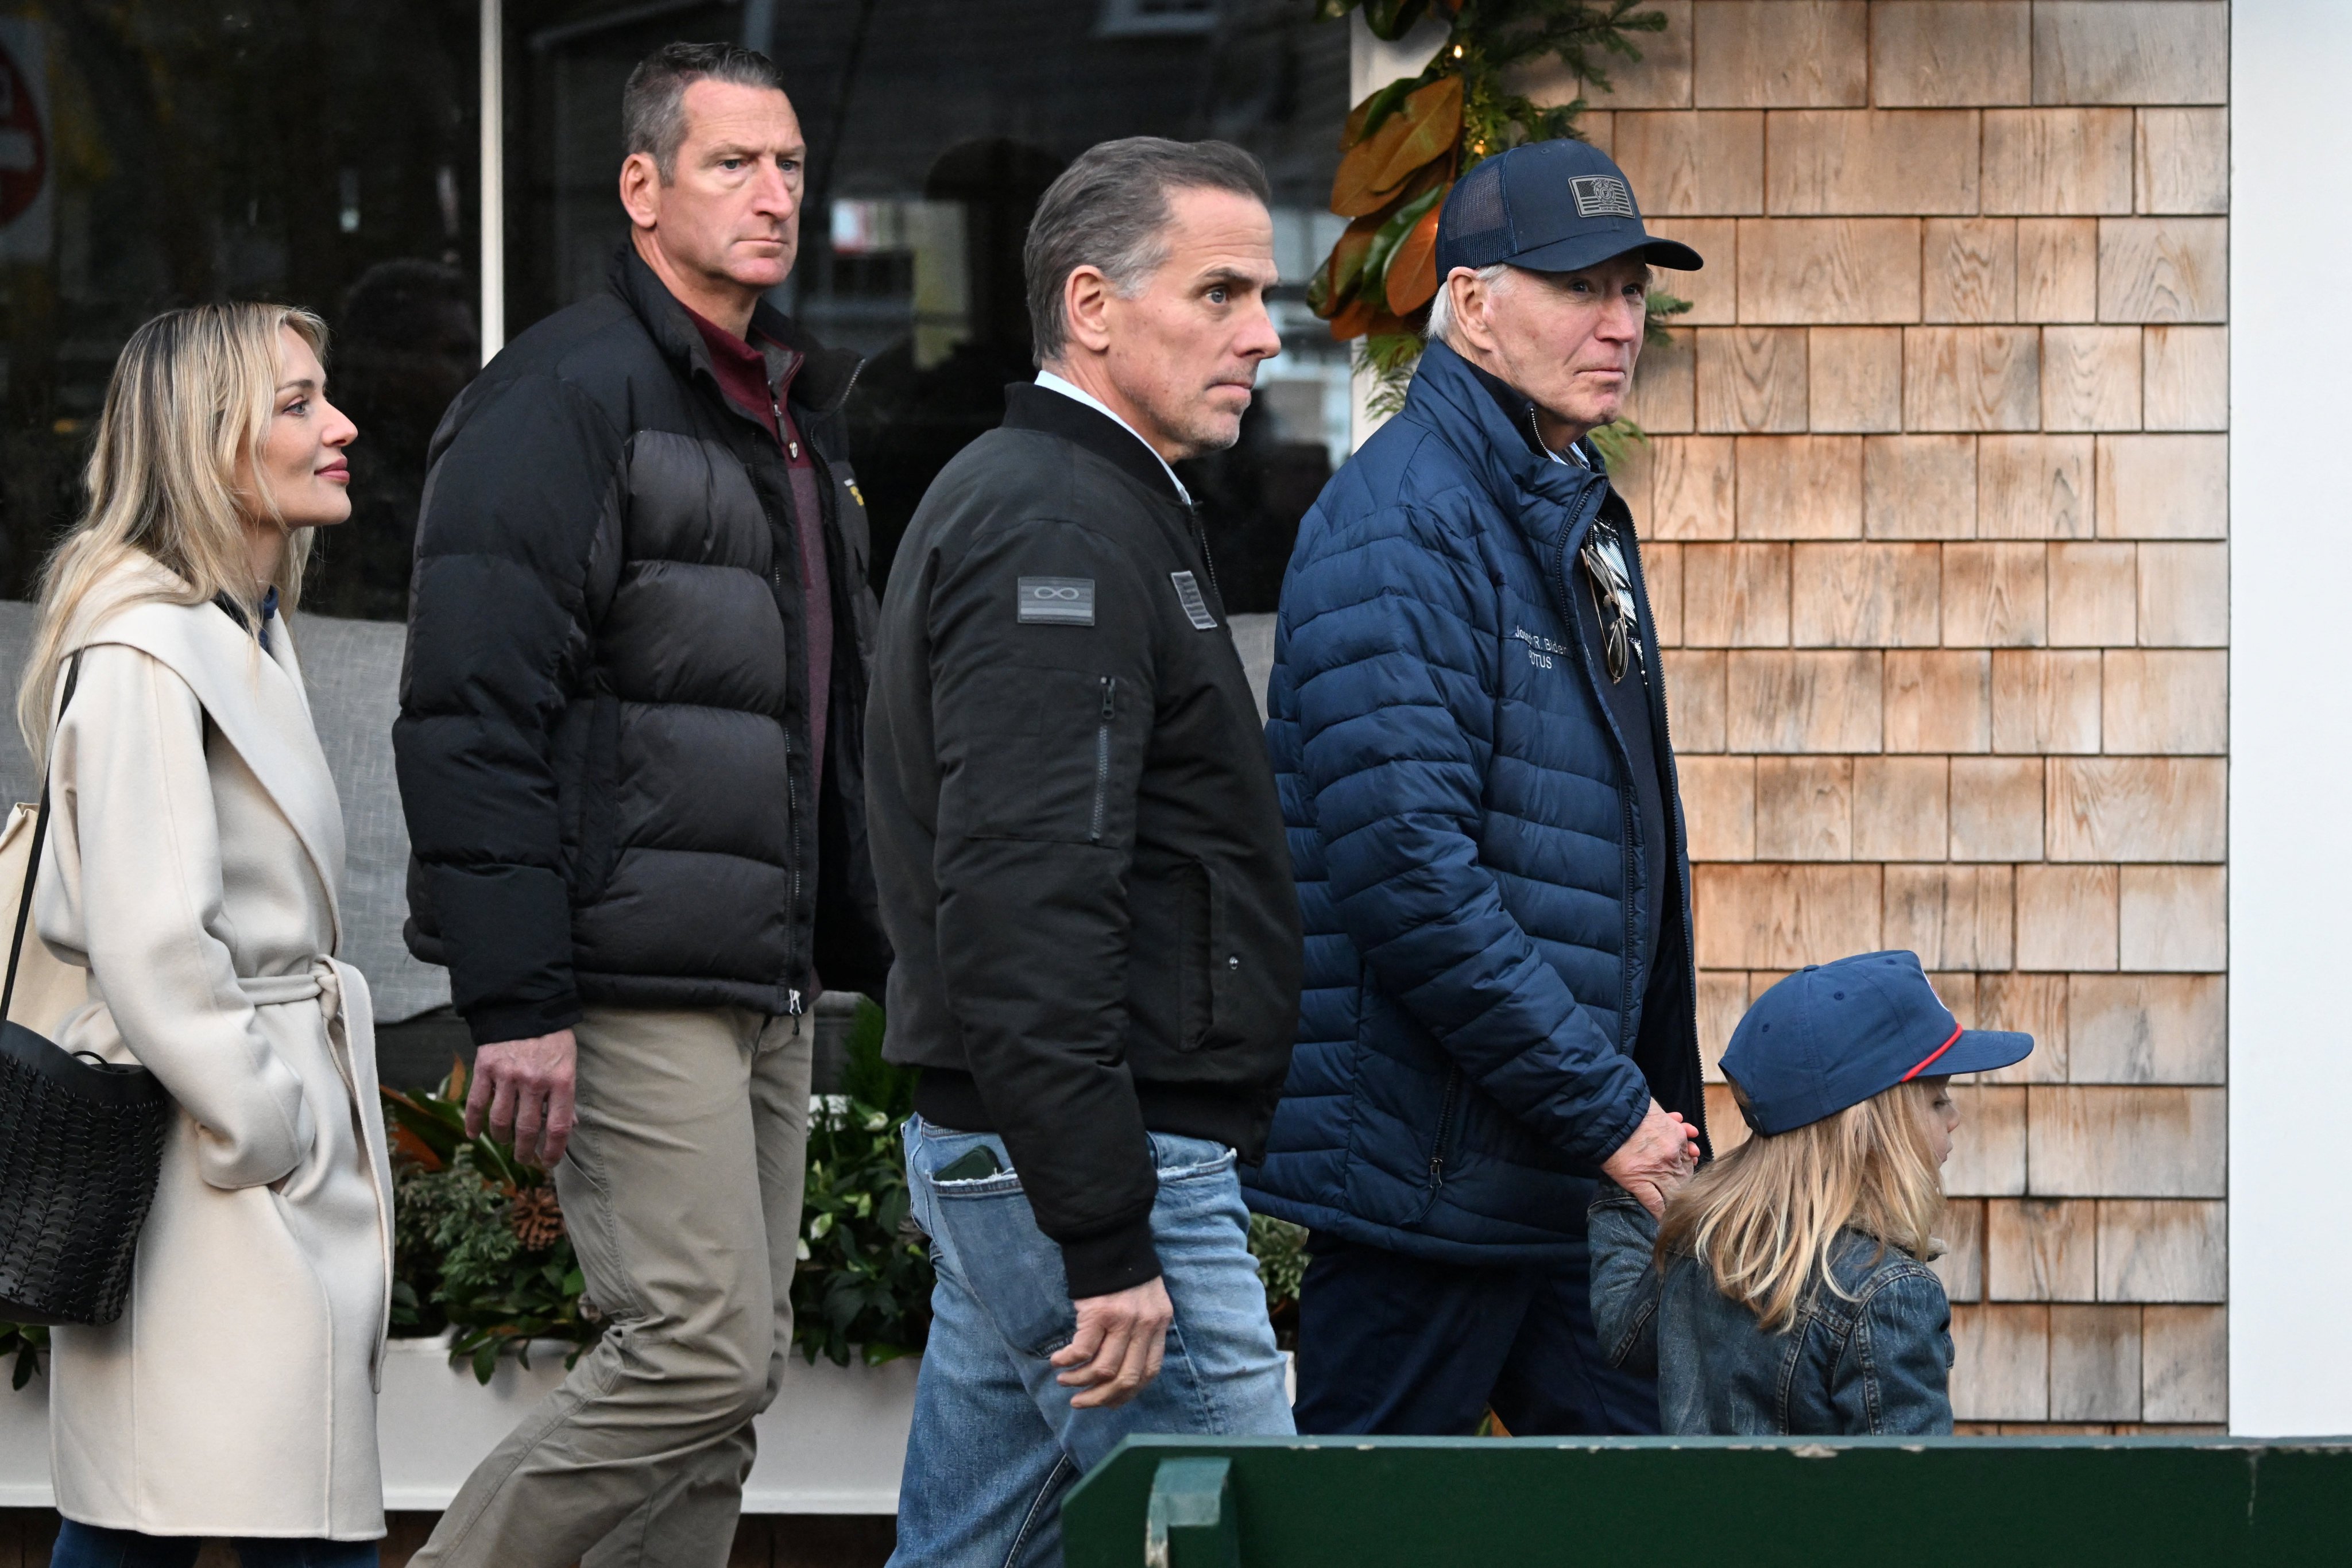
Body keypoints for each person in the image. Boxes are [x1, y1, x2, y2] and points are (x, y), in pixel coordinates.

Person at [392, 41, 888, 1568]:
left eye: (792, 164)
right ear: (642, 185)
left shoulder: (782, 408)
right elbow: (473, 714)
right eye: (733, 162)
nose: (774, 193)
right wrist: (520, 995)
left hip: (759, 963)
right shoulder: (563, 395)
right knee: (693, 1350)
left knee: (725, 1389)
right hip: (628, 970)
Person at [864, 136, 1299, 1567]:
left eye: (1266, 294)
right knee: (1245, 1534)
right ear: (1095, 306)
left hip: (1052, 1143)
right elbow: (1024, 896)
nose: (1264, 332)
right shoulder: (1052, 518)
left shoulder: (1093, 502)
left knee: (981, 1550)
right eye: (1223, 291)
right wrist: (1108, 1231)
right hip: (1100, 1155)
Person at [1244, 137, 1708, 1437]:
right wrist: (1612, 1112)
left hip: (1561, 1178)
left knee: (1657, 1520)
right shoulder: (1405, 520)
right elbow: (1410, 875)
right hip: (1429, 1184)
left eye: (1631, 290)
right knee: (1363, 1539)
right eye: (1579, 289)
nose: (1619, 324)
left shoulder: (1561, 502)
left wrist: (1629, 1127)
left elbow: (1617, 864)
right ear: (1470, 303)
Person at [18, 304, 388, 1566]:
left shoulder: (235, 628)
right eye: (296, 404)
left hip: (234, 1153)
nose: (339, 426)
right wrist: (268, 1127)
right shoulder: (151, 647)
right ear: (203, 442)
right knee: (195, 1521)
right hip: (208, 1161)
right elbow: (157, 941)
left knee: (160, 1519)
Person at [1589, 951, 2030, 1435]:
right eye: (1936, 1099)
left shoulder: (1703, 1250)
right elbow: (1911, 1493)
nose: (1954, 1117)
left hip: (1701, 1512)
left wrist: (1631, 1176)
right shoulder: (1888, 1294)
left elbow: (1623, 1333)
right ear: (1868, 1130)